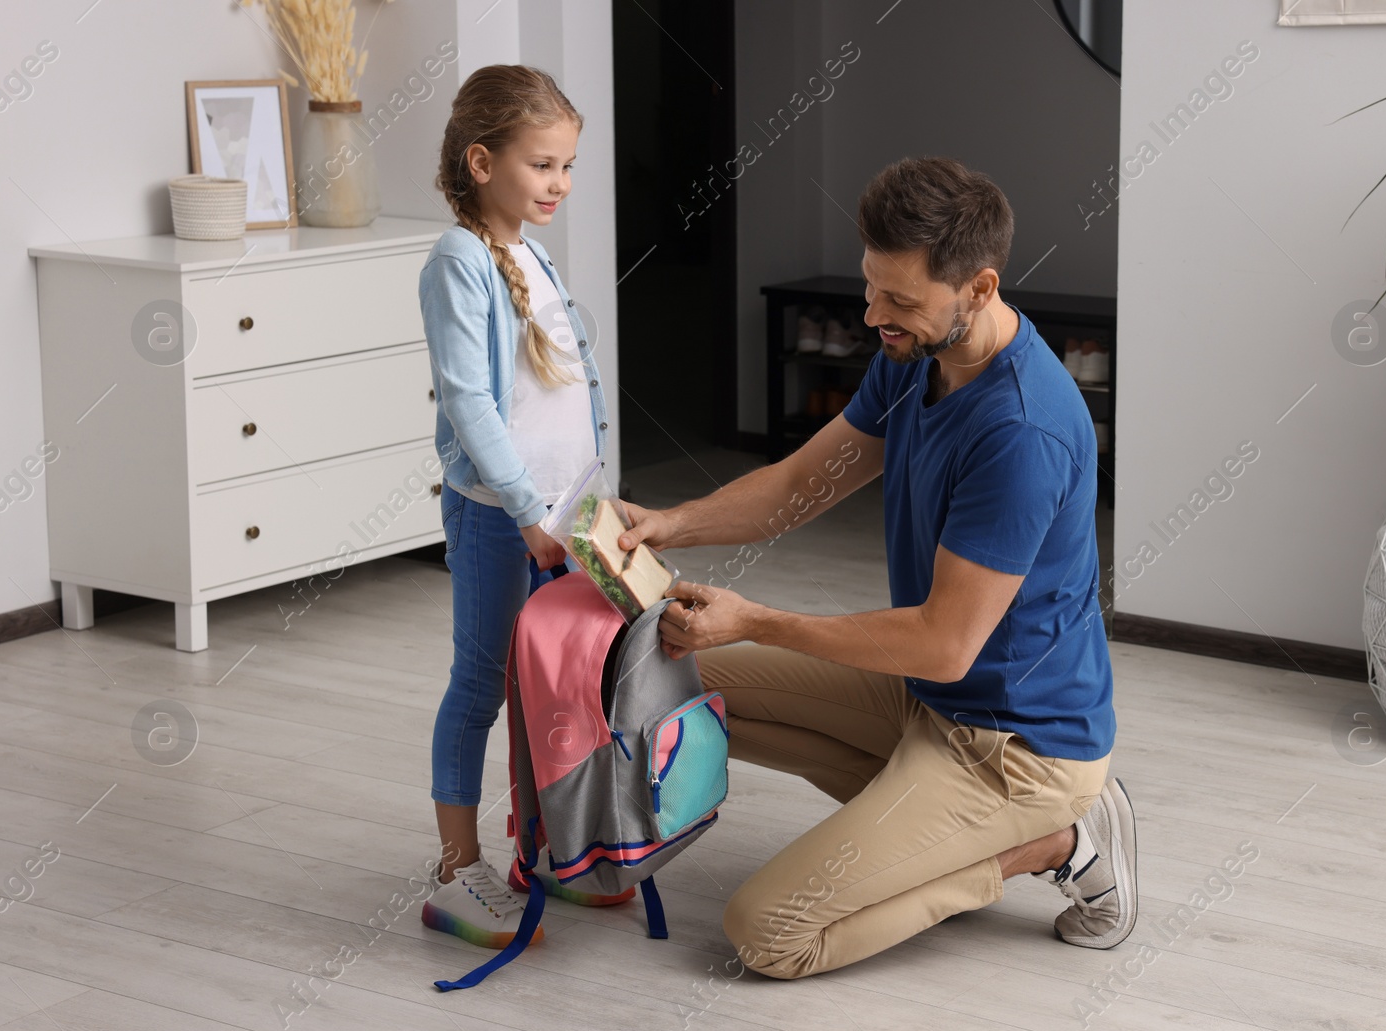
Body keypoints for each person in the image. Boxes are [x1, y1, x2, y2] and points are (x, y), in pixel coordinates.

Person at [619, 156, 1137, 980]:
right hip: (927, 706)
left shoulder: (1021, 430)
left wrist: (756, 619)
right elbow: (799, 484)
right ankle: (921, 825)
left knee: (768, 932)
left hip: (1014, 748)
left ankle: (1052, 841)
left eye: (899, 300)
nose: (873, 316)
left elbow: (943, 645)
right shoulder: (915, 358)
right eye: (872, 288)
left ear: (979, 286)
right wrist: (664, 524)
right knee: (674, 677)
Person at [416, 64, 616, 949]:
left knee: (554, 685)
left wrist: (583, 503)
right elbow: (473, 403)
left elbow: (560, 391)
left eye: (568, 166)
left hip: (558, 519)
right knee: (480, 686)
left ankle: (546, 852)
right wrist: (530, 511)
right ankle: (457, 871)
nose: (560, 184)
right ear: (482, 161)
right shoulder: (458, 260)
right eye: (543, 166)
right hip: (506, 523)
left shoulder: (529, 251)